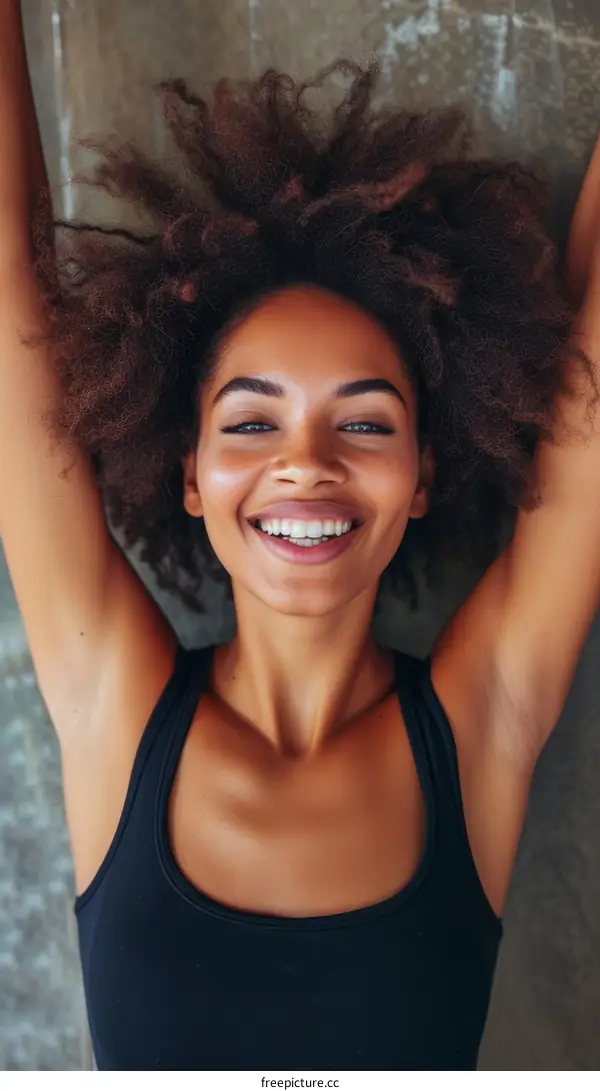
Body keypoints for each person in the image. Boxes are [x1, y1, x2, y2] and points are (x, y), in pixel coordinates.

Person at [2, 0, 600, 1073]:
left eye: (365, 420)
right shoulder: (110, 700)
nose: (305, 460)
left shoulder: (482, 719)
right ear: (192, 473)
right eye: (251, 420)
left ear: (421, 477)